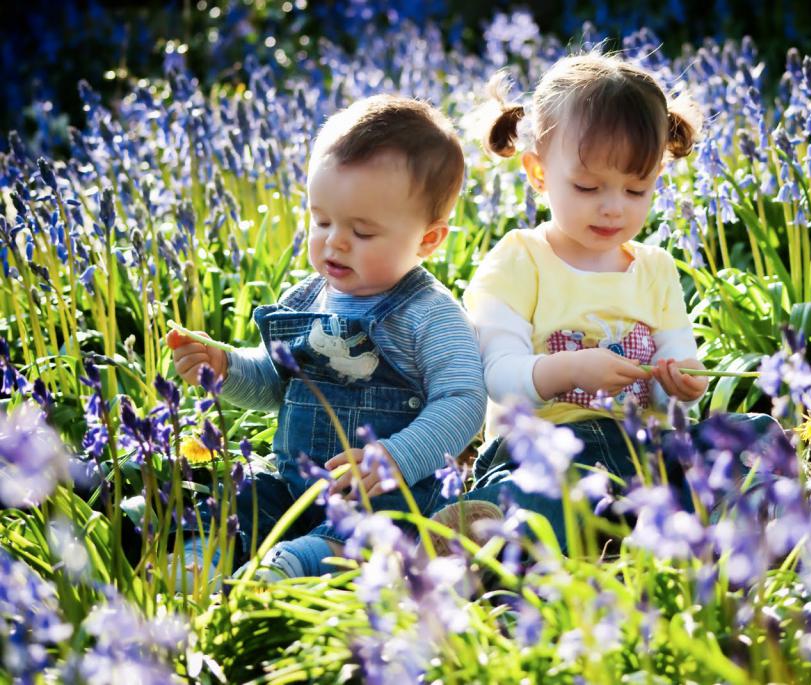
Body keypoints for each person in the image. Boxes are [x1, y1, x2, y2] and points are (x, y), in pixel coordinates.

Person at [455, 53, 780, 553]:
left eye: (636, 189)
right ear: (538, 173)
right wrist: (571, 369)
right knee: (546, 499)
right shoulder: (518, 261)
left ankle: (750, 530)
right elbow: (499, 379)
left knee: (756, 432)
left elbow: (679, 373)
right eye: (588, 187)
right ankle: (485, 538)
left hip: (647, 451)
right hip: (547, 453)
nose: (613, 206)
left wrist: (684, 383)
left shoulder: (654, 269)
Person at [168, 95, 486, 585]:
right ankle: (200, 561)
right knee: (240, 506)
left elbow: (463, 401)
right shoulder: (308, 297)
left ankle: (292, 570)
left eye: (361, 231)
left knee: (363, 538)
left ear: (428, 240)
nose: (334, 241)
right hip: (293, 483)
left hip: (383, 493)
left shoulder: (429, 315)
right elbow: (277, 383)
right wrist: (226, 367)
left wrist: (397, 457)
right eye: (321, 221)